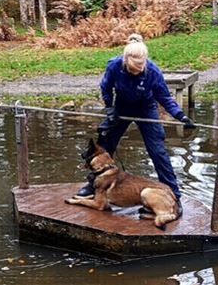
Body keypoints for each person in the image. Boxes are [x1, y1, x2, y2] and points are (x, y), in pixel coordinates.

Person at [75, 33, 195, 213]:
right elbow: (106, 87)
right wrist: (109, 108)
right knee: (105, 144)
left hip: (145, 108)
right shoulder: (114, 65)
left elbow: (164, 97)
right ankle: (93, 186)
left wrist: (181, 116)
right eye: (131, 70)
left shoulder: (153, 72)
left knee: (158, 151)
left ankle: (175, 195)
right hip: (121, 107)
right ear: (125, 61)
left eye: (138, 71)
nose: (135, 73)